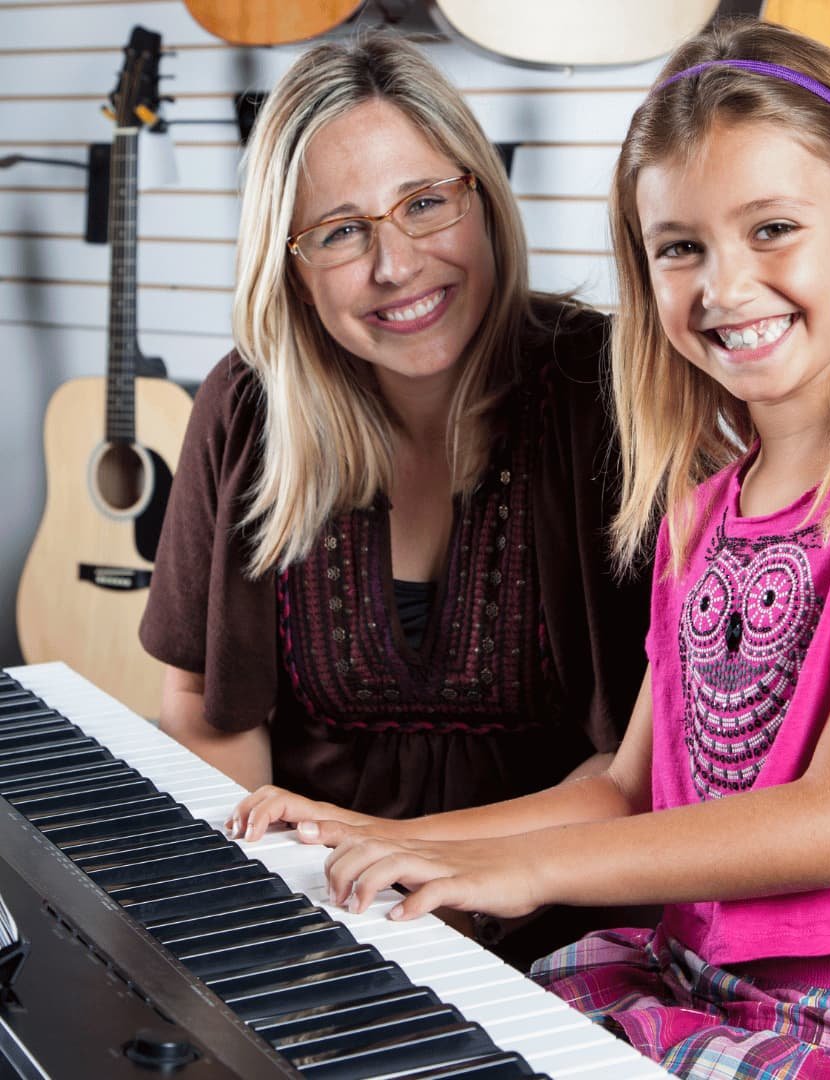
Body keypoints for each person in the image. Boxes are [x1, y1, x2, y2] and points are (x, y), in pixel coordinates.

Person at [227, 18, 830, 1077]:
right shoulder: (701, 512)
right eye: (680, 248)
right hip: (689, 975)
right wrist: (374, 833)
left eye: (772, 229)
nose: (724, 286)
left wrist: (530, 876)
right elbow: (625, 786)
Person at [138, 31, 651, 968]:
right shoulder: (244, 406)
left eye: (424, 203)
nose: (394, 264)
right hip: (315, 910)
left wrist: (427, 868)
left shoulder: (609, 389)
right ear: (288, 264)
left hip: (564, 926)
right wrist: (274, 920)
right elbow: (212, 712)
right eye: (339, 231)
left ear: (483, 199)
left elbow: (645, 767)